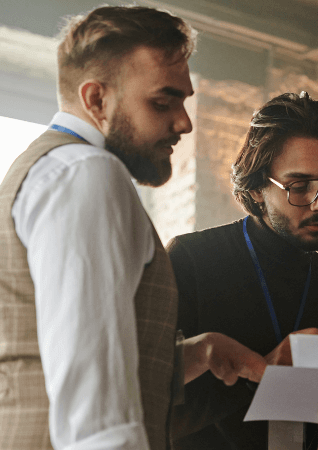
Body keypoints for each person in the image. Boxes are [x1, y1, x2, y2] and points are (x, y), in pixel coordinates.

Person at [0, 6, 267, 449]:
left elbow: (62, 352)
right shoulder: (85, 172)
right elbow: (94, 402)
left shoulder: (42, 169)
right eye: (163, 102)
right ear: (96, 100)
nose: (185, 122)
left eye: (184, 100)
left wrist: (197, 353)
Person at [168, 91, 318, 450]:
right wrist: (261, 374)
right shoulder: (192, 261)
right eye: (300, 186)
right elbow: (147, 409)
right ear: (258, 188)